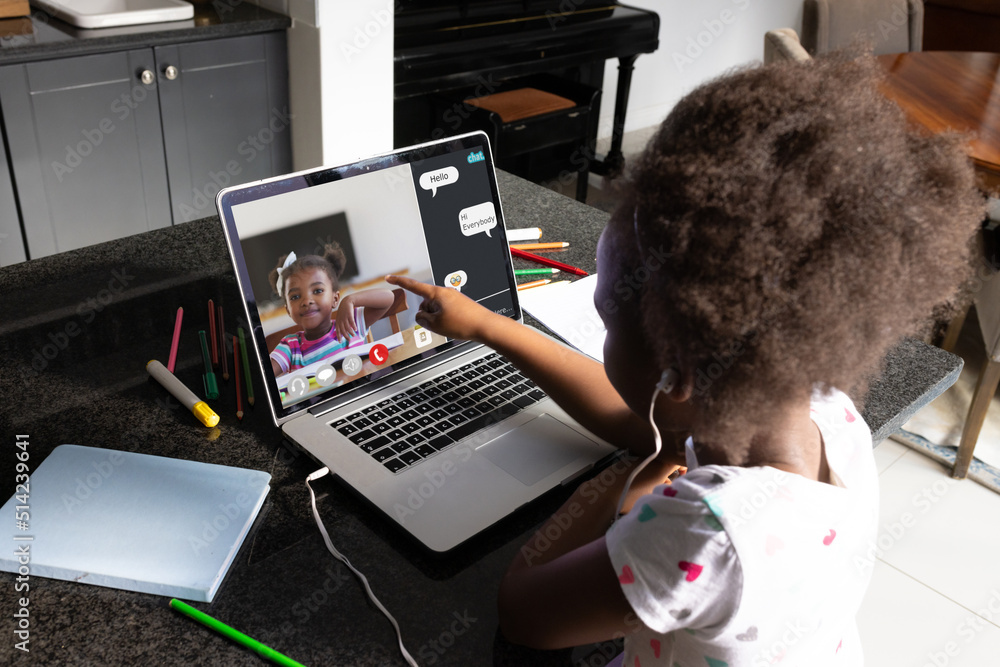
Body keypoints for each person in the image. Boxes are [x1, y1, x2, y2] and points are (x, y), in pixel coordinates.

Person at [388, 51, 983, 665]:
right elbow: (635, 416)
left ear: (675, 378)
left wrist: (626, 475)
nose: (602, 329)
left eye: (607, 320)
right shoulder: (826, 412)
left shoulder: (705, 534)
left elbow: (523, 613)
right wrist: (489, 326)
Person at [269, 243, 394, 376]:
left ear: (335, 299)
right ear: (288, 310)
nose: (306, 301)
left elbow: (388, 298)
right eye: (295, 297)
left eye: (317, 291)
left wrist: (350, 300)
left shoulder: (350, 324)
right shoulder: (290, 348)